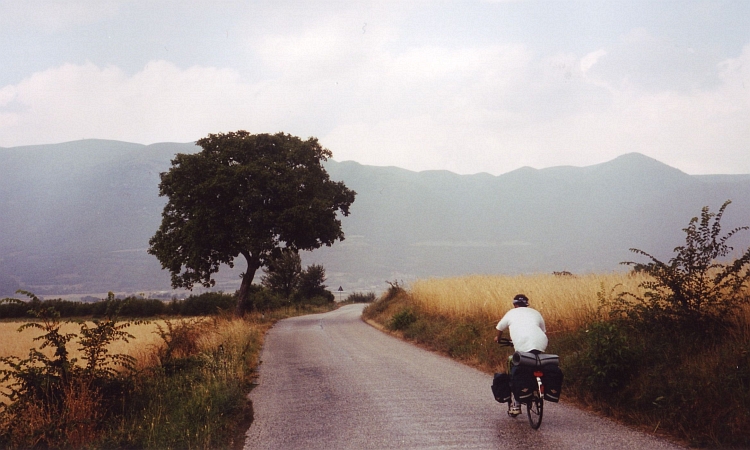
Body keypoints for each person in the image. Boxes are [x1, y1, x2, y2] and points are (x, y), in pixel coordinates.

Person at [493, 293, 548, 416]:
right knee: (534, 362)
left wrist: (498, 338)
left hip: (522, 345)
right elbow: (543, 330)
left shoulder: (511, 313)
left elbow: (500, 327)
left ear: (514, 304)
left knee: (516, 369)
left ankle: (516, 404)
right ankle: (536, 386)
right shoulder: (535, 312)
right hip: (541, 342)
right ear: (527, 304)